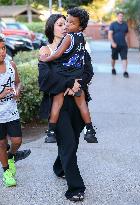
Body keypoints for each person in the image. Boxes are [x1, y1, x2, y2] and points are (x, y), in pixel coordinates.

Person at [39, 13, 94, 201]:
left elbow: (88, 71)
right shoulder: (46, 51)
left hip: (78, 103)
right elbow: (45, 79)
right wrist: (68, 83)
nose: (64, 27)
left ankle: (59, 166)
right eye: (60, 24)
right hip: (58, 105)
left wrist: (79, 83)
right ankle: (75, 188)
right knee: (68, 143)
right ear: (51, 28)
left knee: (73, 142)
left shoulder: (78, 48)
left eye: (67, 24)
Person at [39, 7, 97, 144]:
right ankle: (90, 130)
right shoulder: (81, 38)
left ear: (80, 26)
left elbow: (58, 54)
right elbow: (45, 77)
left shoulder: (69, 37)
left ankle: (51, 131)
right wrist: (75, 82)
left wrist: (45, 59)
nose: (66, 25)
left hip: (65, 74)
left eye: (70, 23)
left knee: (57, 103)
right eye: (64, 23)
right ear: (51, 28)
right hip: (76, 74)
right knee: (82, 103)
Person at [0, 34, 23, 187]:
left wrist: (17, 91)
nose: (2, 52)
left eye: (3, 48)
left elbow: (19, 83)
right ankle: (6, 172)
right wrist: (2, 94)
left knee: (17, 141)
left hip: (11, 111)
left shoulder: (11, 65)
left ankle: (11, 155)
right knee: (1, 143)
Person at [108, 11, 129, 78]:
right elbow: (110, 35)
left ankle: (125, 71)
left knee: (124, 58)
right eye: (120, 16)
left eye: (122, 16)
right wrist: (112, 43)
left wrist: (127, 43)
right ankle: (113, 68)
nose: (121, 17)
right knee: (114, 58)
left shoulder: (125, 24)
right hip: (115, 45)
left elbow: (126, 35)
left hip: (123, 45)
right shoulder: (113, 24)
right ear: (117, 16)